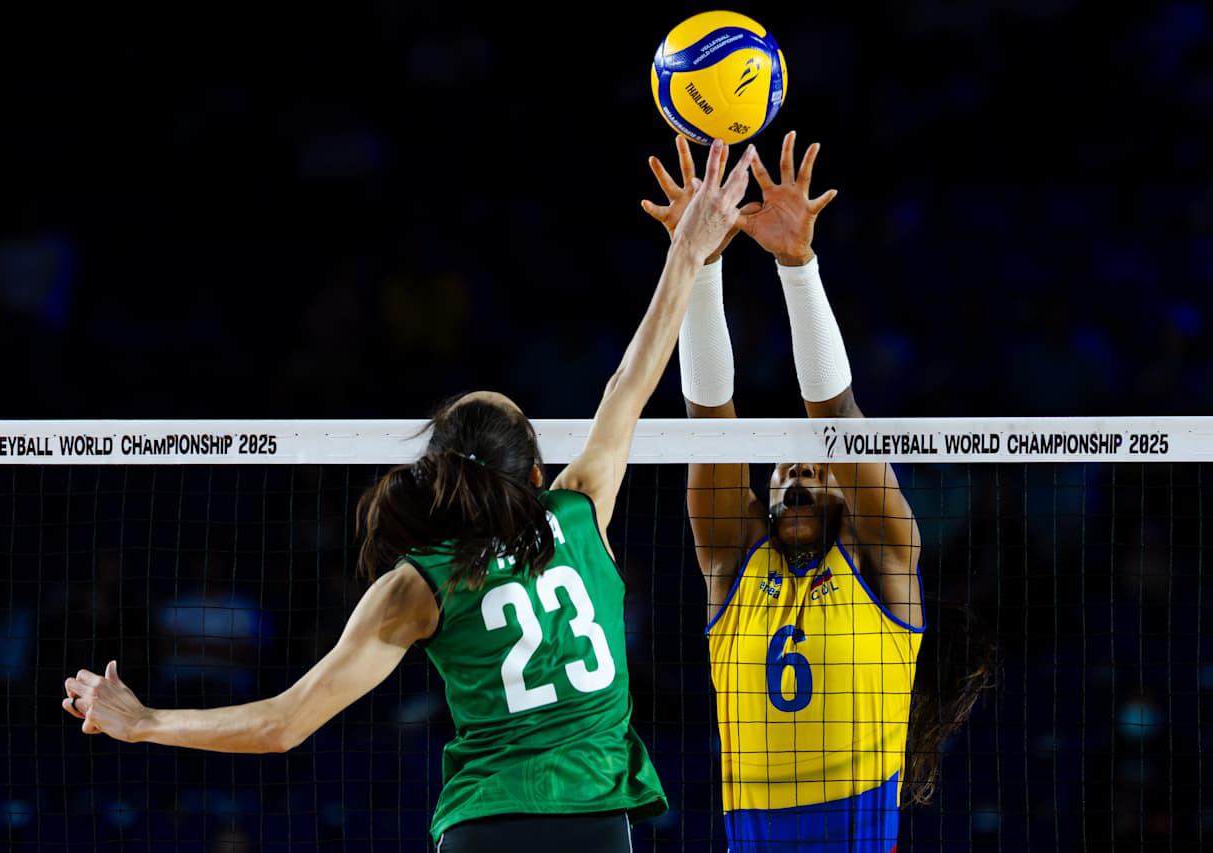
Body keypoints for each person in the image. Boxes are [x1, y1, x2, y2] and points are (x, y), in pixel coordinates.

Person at [63, 139, 756, 853]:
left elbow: (282, 724)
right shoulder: (579, 512)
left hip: (483, 825)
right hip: (594, 822)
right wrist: (691, 251)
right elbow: (631, 381)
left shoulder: (417, 583)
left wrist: (144, 721)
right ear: (536, 476)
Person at [643, 131, 994, 852]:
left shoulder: (888, 563)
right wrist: (701, 267)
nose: (798, 475)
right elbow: (711, 427)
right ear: (764, 501)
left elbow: (838, 419)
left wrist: (797, 266)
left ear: (844, 499)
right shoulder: (730, 566)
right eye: (784, 472)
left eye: (814, 471)